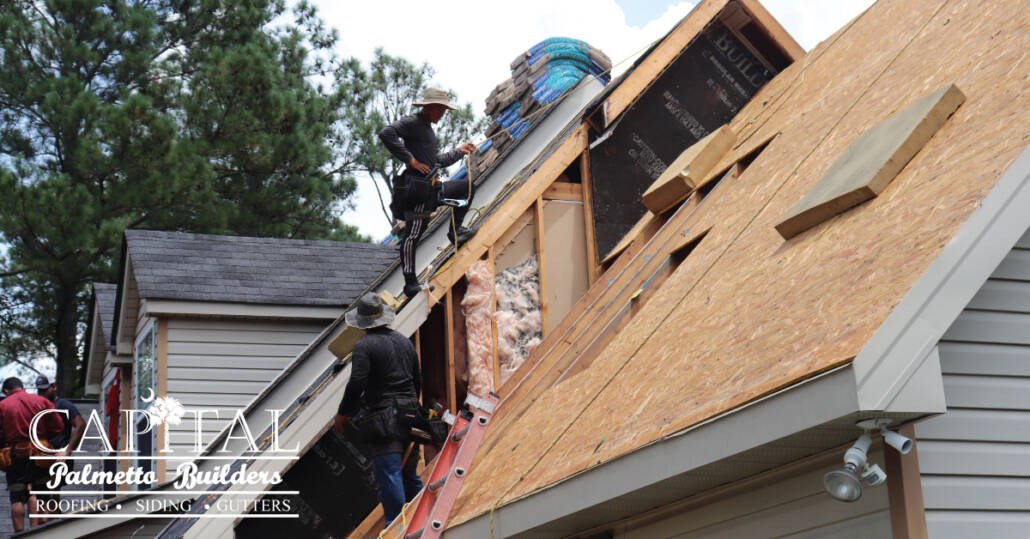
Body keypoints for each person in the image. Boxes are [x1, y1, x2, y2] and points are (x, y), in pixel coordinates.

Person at [379, 87, 478, 298]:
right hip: (417, 191)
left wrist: (459, 151)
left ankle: (455, 232)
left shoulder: (426, 129)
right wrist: (411, 160)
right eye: (439, 109)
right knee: (412, 236)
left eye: (444, 110)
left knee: (466, 188)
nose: (442, 114)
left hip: (431, 189)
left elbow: (436, 162)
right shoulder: (413, 123)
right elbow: (386, 133)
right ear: (428, 107)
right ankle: (410, 284)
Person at [333, 293, 423, 524]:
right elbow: (417, 380)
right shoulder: (404, 342)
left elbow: (357, 383)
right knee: (409, 475)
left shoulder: (364, 345)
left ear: (362, 324)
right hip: (411, 416)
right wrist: (411, 407)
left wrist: (343, 414)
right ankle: (422, 520)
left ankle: (396, 528)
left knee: (390, 475)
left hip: (386, 420)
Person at [0, 377, 63, 531]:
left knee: (17, 497)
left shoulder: (3, 405)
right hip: (40, 453)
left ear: (7, 391)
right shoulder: (41, 401)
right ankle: (43, 530)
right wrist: (43, 438)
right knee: (42, 494)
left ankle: (19, 534)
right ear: (23, 387)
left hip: (15, 454)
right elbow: (58, 427)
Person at [35, 375, 85, 517]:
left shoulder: (63, 405)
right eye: (40, 391)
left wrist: (68, 450)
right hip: (40, 455)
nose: (42, 393)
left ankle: (53, 527)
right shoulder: (36, 405)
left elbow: (81, 425)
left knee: (51, 493)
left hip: (58, 455)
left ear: (54, 387)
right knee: (42, 497)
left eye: (45, 389)